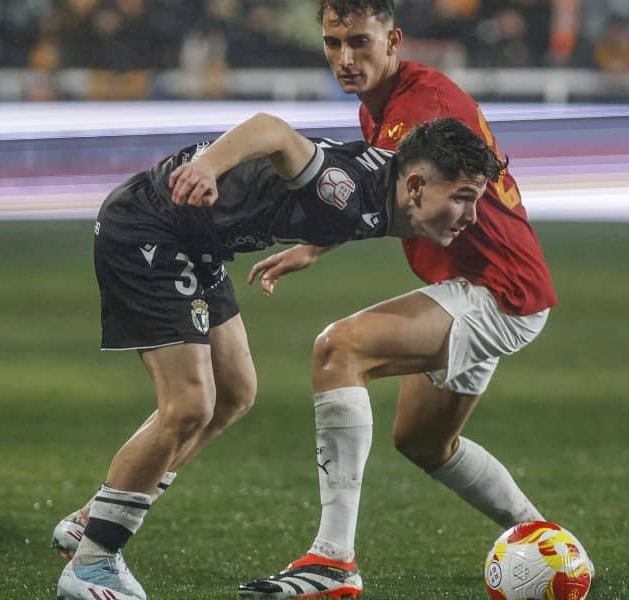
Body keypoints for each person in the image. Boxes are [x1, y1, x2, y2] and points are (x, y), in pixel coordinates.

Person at [53, 113, 504, 600]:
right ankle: (93, 561)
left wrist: (309, 250)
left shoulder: (390, 193)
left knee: (234, 393)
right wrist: (207, 167)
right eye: (463, 198)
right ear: (416, 185)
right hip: (150, 228)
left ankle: (97, 516)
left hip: (196, 241)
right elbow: (271, 131)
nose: (472, 216)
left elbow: (347, 212)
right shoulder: (348, 184)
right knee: (188, 405)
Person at [237, 1, 558, 597]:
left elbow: (388, 196)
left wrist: (307, 233)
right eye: (333, 43)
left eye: (359, 41)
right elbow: (378, 193)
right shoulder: (386, 104)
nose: (345, 58)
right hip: (486, 285)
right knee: (423, 442)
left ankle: (332, 561)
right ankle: (544, 542)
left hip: (496, 289)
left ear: (395, 40)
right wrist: (316, 244)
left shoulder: (418, 112)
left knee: (339, 350)